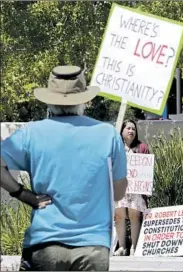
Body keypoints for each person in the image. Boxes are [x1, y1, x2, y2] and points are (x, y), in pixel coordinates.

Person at [0, 65, 128, 271]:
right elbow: (119, 192)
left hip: (45, 243)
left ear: (50, 99)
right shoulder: (108, 134)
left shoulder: (32, 133)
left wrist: (23, 194)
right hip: (93, 247)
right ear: (84, 99)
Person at [114, 120, 150, 256]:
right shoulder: (115, 147)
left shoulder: (142, 148)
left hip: (136, 189)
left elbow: (147, 169)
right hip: (120, 187)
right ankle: (122, 247)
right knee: (119, 216)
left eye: (133, 129)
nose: (131, 131)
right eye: (128, 128)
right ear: (122, 131)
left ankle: (135, 247)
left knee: (135, 216)